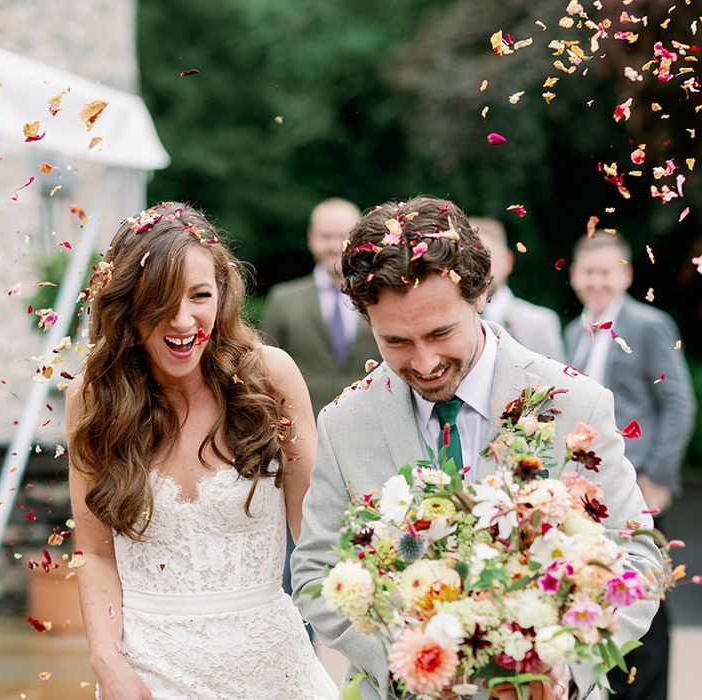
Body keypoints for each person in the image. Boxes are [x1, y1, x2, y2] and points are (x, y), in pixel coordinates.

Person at [291, 196, 662, 700]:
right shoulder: (343, 422)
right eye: (396, 341)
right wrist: (407, 662)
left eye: (441, 332)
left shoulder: (576, 403)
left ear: (481, 293)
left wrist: (560, 664)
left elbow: (636, 552)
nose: (424, 362)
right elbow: (314, 570)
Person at [66, 202, 336, 699]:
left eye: (200, 296)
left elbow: (317, 531)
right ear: (127, 304)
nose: (184, 320)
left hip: (272, 670)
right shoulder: (93, 394)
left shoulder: (269, 377)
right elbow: (96, 554)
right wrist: (107, 662)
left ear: (223, 293)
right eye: (160, 300)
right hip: (146, 671)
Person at [566, 231, 696, 700]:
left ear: (625, 274)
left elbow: (679, 402)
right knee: (605, 590)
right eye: (589, 272)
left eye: (607, 272)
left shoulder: (648, 323)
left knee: (646, 595)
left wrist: (658, 476)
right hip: (588, 490)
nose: (597, 281)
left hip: (639, 482)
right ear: (576, 276)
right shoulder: (573, 330)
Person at [261, 198, 380, 417]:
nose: (334, 246)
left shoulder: (381, 295)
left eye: (343, 237)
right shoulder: (283, 299)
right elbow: (263, 372)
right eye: (326, 237)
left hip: (372, 422)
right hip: (304, 428)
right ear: (311, 239)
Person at [472, 217, 565, 361]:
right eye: (469, 260)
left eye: (485, 259)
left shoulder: (539, 323)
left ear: (507, 261)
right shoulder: (448, 322)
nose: (477, 269)